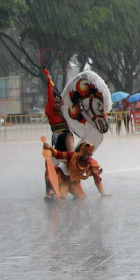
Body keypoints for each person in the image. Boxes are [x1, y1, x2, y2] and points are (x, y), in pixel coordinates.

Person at [43, 68, 74, 199]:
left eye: (58, 101)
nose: (56, 103)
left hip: (67, 137)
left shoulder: (67, 112)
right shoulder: (50, 112)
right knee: (48, 164)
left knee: (68, 137)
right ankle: (49, 191)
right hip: (56, 139)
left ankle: (72, 161)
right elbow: (50, 97)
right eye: (55, 102)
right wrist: (49, 80)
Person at [42, 140, 108, 199]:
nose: (89, 157)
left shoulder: (92, 163)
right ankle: (50, 192)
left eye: (91, 155)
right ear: (82, 152)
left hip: (74, 180)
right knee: (61, 194)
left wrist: (102, 193)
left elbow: (97, 178)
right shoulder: (72, 156)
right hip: (62, 175)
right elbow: (59, 155)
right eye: (87, 154)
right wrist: (50, 148)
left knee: (81, 197)